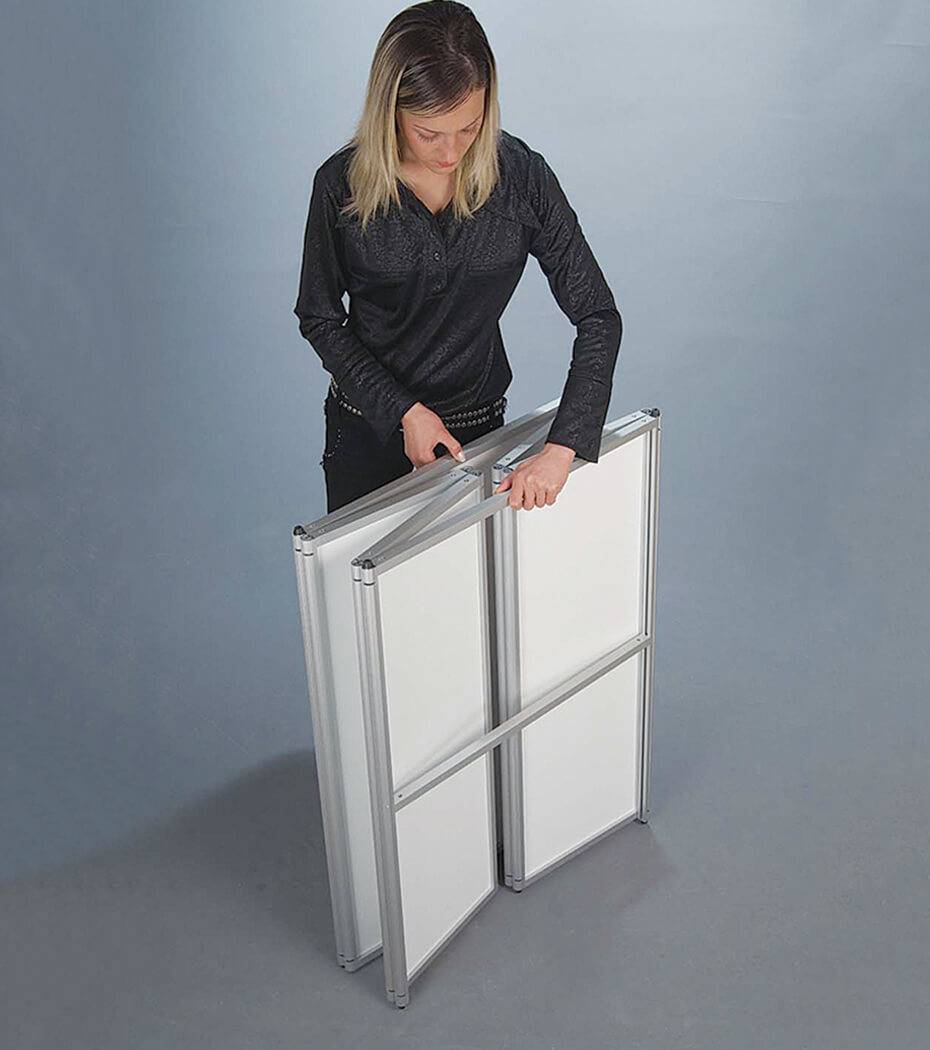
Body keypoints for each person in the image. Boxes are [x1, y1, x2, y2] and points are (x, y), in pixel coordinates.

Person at [294, 0, 622, 514]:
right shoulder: (340, 185)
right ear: (390, 113)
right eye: (428, 134)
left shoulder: (522, 178)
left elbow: (598, 315)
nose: (450, 153)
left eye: (469, 128)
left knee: (476, 569)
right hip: (366, 432)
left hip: (478, 434)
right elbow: (319, 317)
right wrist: (404, 411)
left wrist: (563, 447)